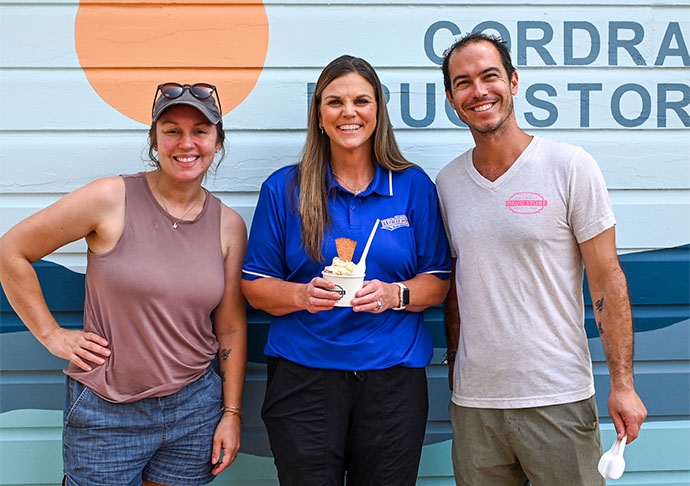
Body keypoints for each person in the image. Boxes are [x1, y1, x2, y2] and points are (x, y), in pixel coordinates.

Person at [0, 82, 247, 486]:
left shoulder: (229, 226)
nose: (186, 143)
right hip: (107, 410)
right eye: (172, 130)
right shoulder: (110, 197)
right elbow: (11, 251)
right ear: (154, 139)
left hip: (194, 408)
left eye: (200, 131)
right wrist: (51, 334)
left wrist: (231, 414)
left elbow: (231, 327)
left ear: (217, 143)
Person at [436, 33, 647, 485]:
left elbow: (607, 280)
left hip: (558, 398)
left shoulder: (570, 166)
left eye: (490, 76)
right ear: (452, 99)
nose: (479, 91)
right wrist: (455, 366)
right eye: (464, 82)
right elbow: (457, 284)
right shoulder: (448, 183)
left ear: (513, 81)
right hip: (475, 408)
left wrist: (623, 385)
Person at [241, 55, 452, 486]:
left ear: (378, 112)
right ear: (319, 115)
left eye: (361, 101)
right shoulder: (284, 188)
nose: (349, 112)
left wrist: (397, 295)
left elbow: (438, 282)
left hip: (392, 380)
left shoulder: (412, 186)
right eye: (335, 102)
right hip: (304, 379)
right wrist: (300, 295)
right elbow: (254, 285)